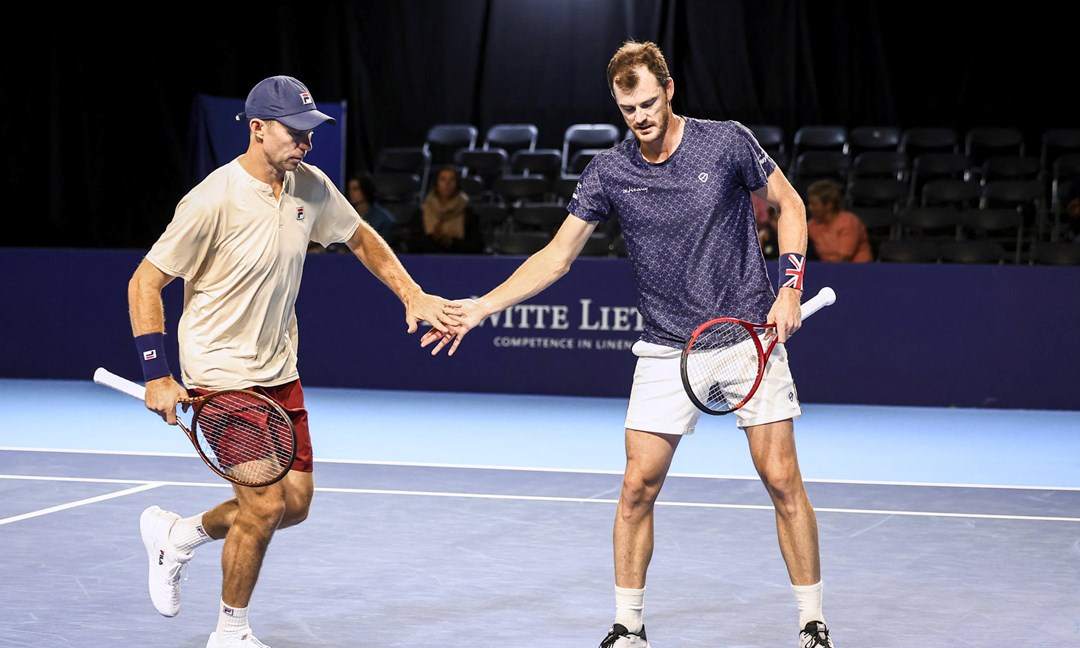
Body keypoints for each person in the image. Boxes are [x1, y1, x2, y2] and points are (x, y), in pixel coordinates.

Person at [421, 41, 835, 648]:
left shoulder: (725, 142)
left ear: (669, 91)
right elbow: (556, 258)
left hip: (749, 334)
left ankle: (812, 621)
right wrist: (483, 306)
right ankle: (629, 626)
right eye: (627, 108)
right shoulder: (610, 171)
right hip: (667, 347)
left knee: (780, 477)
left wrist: (790, 287)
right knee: (637, 486)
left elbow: (790, 203)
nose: (639, 117)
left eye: (647, 103)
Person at [128, 75, 460, 648]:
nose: (306, 142)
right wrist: (157, 372)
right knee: (263, 507)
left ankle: (180, 535)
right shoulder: (211, 200)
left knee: (295, 506)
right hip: (222, 375)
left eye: (311, 132)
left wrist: (411, 293)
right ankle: (230, 632)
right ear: (257, 129)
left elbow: (360, 238)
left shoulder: (309, 186)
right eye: (295, 132)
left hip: (280, 372)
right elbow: (145, 282)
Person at [411, 164, 482, 253]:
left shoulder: (468, 212)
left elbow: (476, 246)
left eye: (451, 180)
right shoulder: (422, 212)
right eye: (443, 180)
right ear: (436, 183)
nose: (447, 184)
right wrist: (433, 239)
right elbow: (412, 245)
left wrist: (451, 242)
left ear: (457, 183)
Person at [805, 179, 873, 262]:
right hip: (828, 269)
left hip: (858, 270)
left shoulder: (848, 222)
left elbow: (844, 258)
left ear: (829, 205)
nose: (809, 208)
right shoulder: (812, 225)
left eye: (814, 204)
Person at [347, 173, 399, 245]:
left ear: (365, 190)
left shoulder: (384, 221)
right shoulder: (346, 217)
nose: (351, 193)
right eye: (350, 189)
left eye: (355, 189)